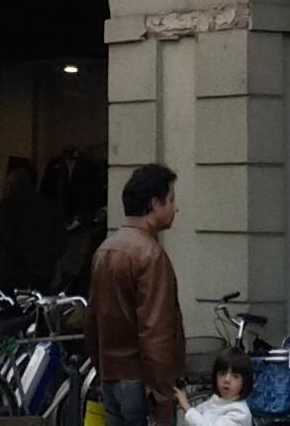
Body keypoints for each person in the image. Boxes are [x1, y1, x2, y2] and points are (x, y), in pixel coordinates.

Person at [87, 163, 186, 426]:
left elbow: (93, 321)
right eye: (172, 199)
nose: (176, 208)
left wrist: (102, 369)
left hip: (111, 377)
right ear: (155, 203)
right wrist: (163, 396)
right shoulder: (150, 255)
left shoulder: (105, 250)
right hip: (141, 382)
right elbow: (156, 332)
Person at [0, 158, 64, 291]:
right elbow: (62, 240)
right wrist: (46, 261)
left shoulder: (7, 207)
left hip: (13, 277)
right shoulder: (48, 206)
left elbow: (5, 239)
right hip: (41, 276)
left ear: (12, 185)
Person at [182, 350, 254, 426]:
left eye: (235, 376)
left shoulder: (240, 413)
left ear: (244, 381)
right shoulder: (217, 399)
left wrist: (187, 407)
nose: (227, 380)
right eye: (222, 374)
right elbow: (199, 412)